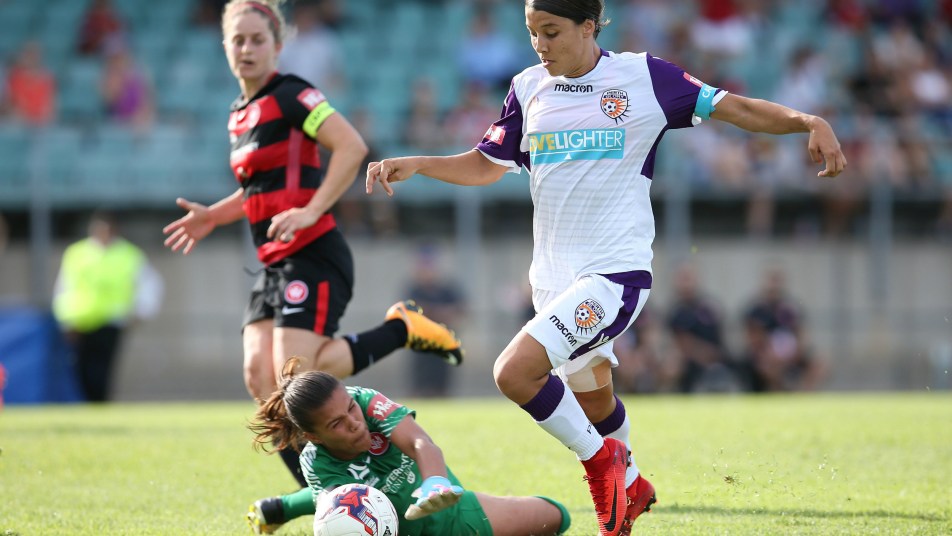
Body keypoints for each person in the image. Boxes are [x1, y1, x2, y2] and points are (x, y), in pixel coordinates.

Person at [365, 1, 846, 533]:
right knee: (593, 399)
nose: (540, 45)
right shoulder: (527, 87)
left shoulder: (644, 78)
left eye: (551, 32)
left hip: (614, 274)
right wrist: (419, 163)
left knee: (514, 372)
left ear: (588, 26)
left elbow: (737, 109)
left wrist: (809, 120)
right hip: (552, 279)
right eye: (532, 33)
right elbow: (486, 165)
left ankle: (602, 468)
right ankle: (631, 485)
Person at [161, 0, 463, 488]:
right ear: (224, 46)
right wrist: (213, 215)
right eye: (238, 40)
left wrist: (311, 209)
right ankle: (323, 493)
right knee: (260, 379)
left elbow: (351, 146)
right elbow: (259, 190)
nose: (247, 48)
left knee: (295, 378)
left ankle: (332, 491)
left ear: (278, 45)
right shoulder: (239, 114)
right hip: (272, 262)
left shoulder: (292, 93)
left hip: (312, 251)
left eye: (258, 39)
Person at [246, 358, 572, 535]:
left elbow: (420, 442)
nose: (354, 422)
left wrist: (435, 483)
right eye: (337, 424)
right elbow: (339, 516)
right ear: (315, 437)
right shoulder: (316, 463)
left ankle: (280, 507)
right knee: (339, 499)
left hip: (450, 515)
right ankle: (278, 509)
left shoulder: (366, 401)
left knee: (558, 517)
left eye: (350, 409)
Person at [52, 211, 163, 402]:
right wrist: (66, 322)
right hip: (81, 322)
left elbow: (150, 284)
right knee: (81, 370)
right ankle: (89, 405)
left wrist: (140, 313)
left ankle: (99, 405)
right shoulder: (76, 253)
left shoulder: (128, 254)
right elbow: (64, 287)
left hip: (110, 321)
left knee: (101, 370)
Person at [738, 267, 826, 392]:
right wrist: (770, 352)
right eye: (771, 280)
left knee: (821, 363)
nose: (774, 285)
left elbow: (802, 334)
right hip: (766, 355)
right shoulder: (755, 310)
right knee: (767, 365)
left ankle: (803, 394)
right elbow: (752, 340)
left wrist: (795, 352)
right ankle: (781, 393)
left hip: (792, 354)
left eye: (777, 280)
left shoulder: (791, 309)